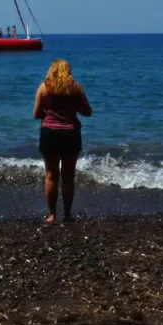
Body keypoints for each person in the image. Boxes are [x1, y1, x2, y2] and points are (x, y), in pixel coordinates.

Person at [33, 59, 92, 224]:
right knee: (68, 176)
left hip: (49, 134)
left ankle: (52, 215)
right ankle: (67, 214)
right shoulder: (75, 88)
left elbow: (36, 114)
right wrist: (74, 109)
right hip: (70, 134)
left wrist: (49, 113)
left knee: (51, 175)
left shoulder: (44, 87)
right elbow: (87, 111)